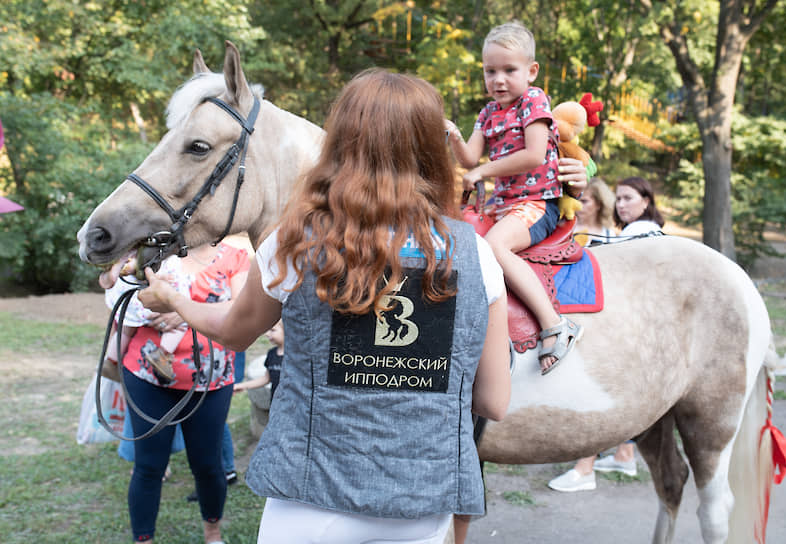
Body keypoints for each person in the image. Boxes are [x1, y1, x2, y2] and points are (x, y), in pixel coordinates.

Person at [139, 68, 511, 544]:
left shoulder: (293, 243)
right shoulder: (475, 253)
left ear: (341, 143)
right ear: (430, 148)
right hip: (422, 503)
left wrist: (172, 299)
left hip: (308, 498)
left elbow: (234, 331)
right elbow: (493, 402)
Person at [445, 20, 585, 374]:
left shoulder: (533, 101)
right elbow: (469, 159)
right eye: (490, 71)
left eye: (509, 70)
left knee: (494, 247)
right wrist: (455, 137)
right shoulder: (487, 113)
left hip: (538, 203)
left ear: (531, 71)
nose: (499, 80)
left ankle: (555, 323)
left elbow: (534, 155)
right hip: (504, 206)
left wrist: (482, 173)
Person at [117, 241, 249, 544]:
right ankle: (143, 540)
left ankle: (213, 534)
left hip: (211, 382)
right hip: (147, 375)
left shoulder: (235, 257)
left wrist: (183, 308)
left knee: (207, 464)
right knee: (148, 466)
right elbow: (125, 290)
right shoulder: (154, 251)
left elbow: (243, 310)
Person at [548, 176, 664, 493]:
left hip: (620, 323)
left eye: (628, 198)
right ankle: (624, 454)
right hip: (633, 323)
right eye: (620, 199)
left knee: (601, 387)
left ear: (647, 200)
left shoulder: (636, 234)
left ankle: (585, 467)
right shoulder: (637, 232)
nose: (622, 205)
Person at [100, 260, 189, 381]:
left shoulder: (126, 252)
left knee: (125, 331)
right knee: (181, 324)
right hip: (147, 302)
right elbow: (138, 268)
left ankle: (111, 360)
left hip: (131, 305)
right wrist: (161, 277)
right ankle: (162, 354)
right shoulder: (154, 251)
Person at [233, 322, 284, 394]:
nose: (267, 334)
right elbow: (267, 378)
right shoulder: (272, 354)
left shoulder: (295, 357)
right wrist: (242, 386)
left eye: (272, 330)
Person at [573, 178, 615, 247]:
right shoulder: (565, 230)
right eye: (576, 200)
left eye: (584, 201)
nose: (578, 206)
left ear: (599, 203)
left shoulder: (609, 235)